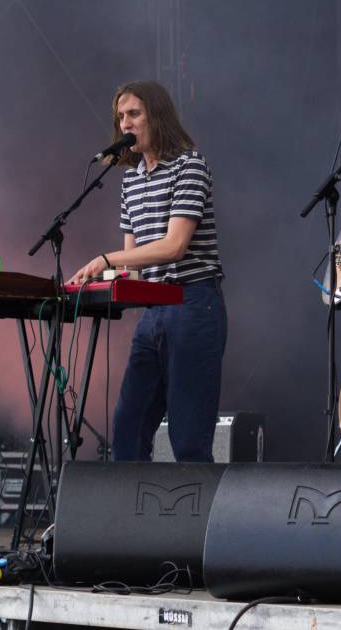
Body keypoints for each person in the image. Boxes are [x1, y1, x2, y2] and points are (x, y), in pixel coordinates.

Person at [69, 80, 226, 462]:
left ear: (157, 116)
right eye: (120, 116)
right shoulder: (131, 179)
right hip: (154, 312)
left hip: (192, 302)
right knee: (128, 427)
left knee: (188, 436)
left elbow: (174, 246)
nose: (125, 123)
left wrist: (106, 261)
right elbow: (132, 263)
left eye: (134, 114)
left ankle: (194, 520)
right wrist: (98, 285)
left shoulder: (190, 164)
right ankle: (132, 521)